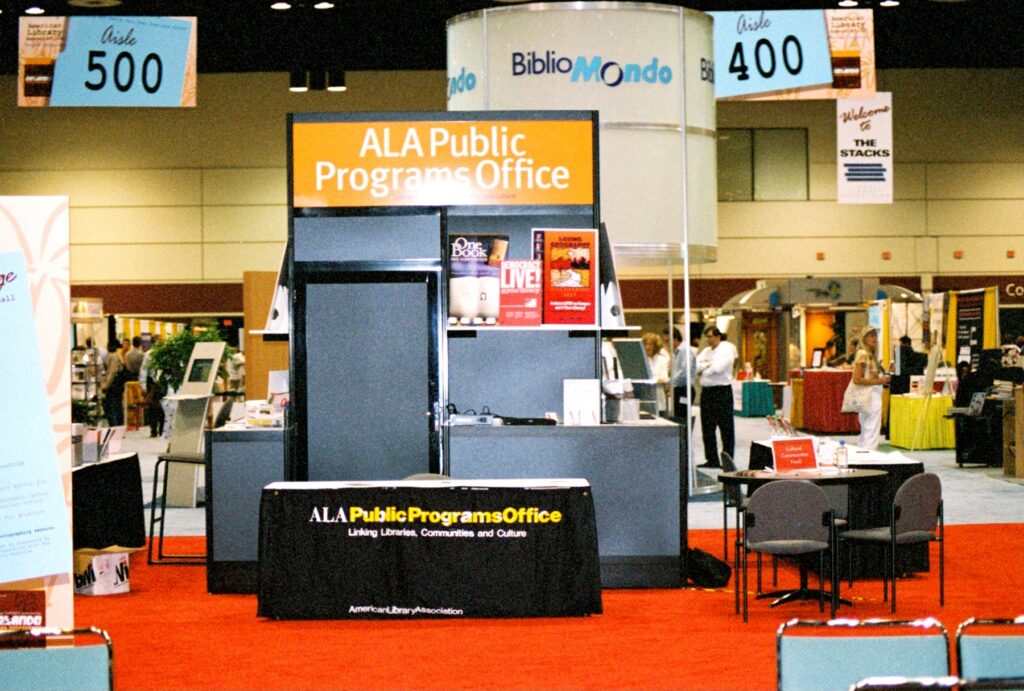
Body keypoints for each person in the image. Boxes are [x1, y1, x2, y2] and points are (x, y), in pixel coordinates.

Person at [695, 325, 738, 468]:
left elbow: (717, 369)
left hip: (722, 392)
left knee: (726, 428)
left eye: (710, 336)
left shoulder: (726, 350)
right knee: (707, 428)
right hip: (707, 392)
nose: (708, 339)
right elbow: (695, 366)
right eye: (706, 337)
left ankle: (727, 460)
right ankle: (712, 459)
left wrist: (706, 368)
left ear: (718, 336)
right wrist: (706, 366)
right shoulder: (706, 351)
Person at [851, 325, 891, 451]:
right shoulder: (863, 354)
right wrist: (881, 380)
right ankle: (869, 456)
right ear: (864, 338)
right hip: (870, 394)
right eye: (870, 335)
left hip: (870, 394)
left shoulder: (869, 355)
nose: (874, 338)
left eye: (875, 335)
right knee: (871, 429)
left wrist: (884, 375)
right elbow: (857, 379)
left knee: (867, 428)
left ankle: (863, 454)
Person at [670, 327, 697, 423]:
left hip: (684, 389)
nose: (667, 344)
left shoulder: (684, 350)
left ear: (674, 338)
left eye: (667, 340)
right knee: (679, 414)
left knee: (682, 415)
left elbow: (685, 372)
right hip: (680, 388)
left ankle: (685, 436)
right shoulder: (678, 351)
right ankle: (683, 436)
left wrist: (671, 383)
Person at [642, 332, 670, 414]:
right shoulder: (639, 360)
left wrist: (652, 379)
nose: (648, 347)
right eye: (645, 344)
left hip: (658, 395)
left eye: (651, 344)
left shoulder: (662, 359)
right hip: (644, 395)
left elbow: (664, 378)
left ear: (655, 346)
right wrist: (656, 379)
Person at [102, 339, 128, 427]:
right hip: (119, 385)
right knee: (117, 405)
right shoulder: (119, 356)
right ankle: (118, 424)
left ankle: (115, 425)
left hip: (114, 385)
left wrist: (105, 386)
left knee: (112, 406)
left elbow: (111, 373)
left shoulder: (112, 356)